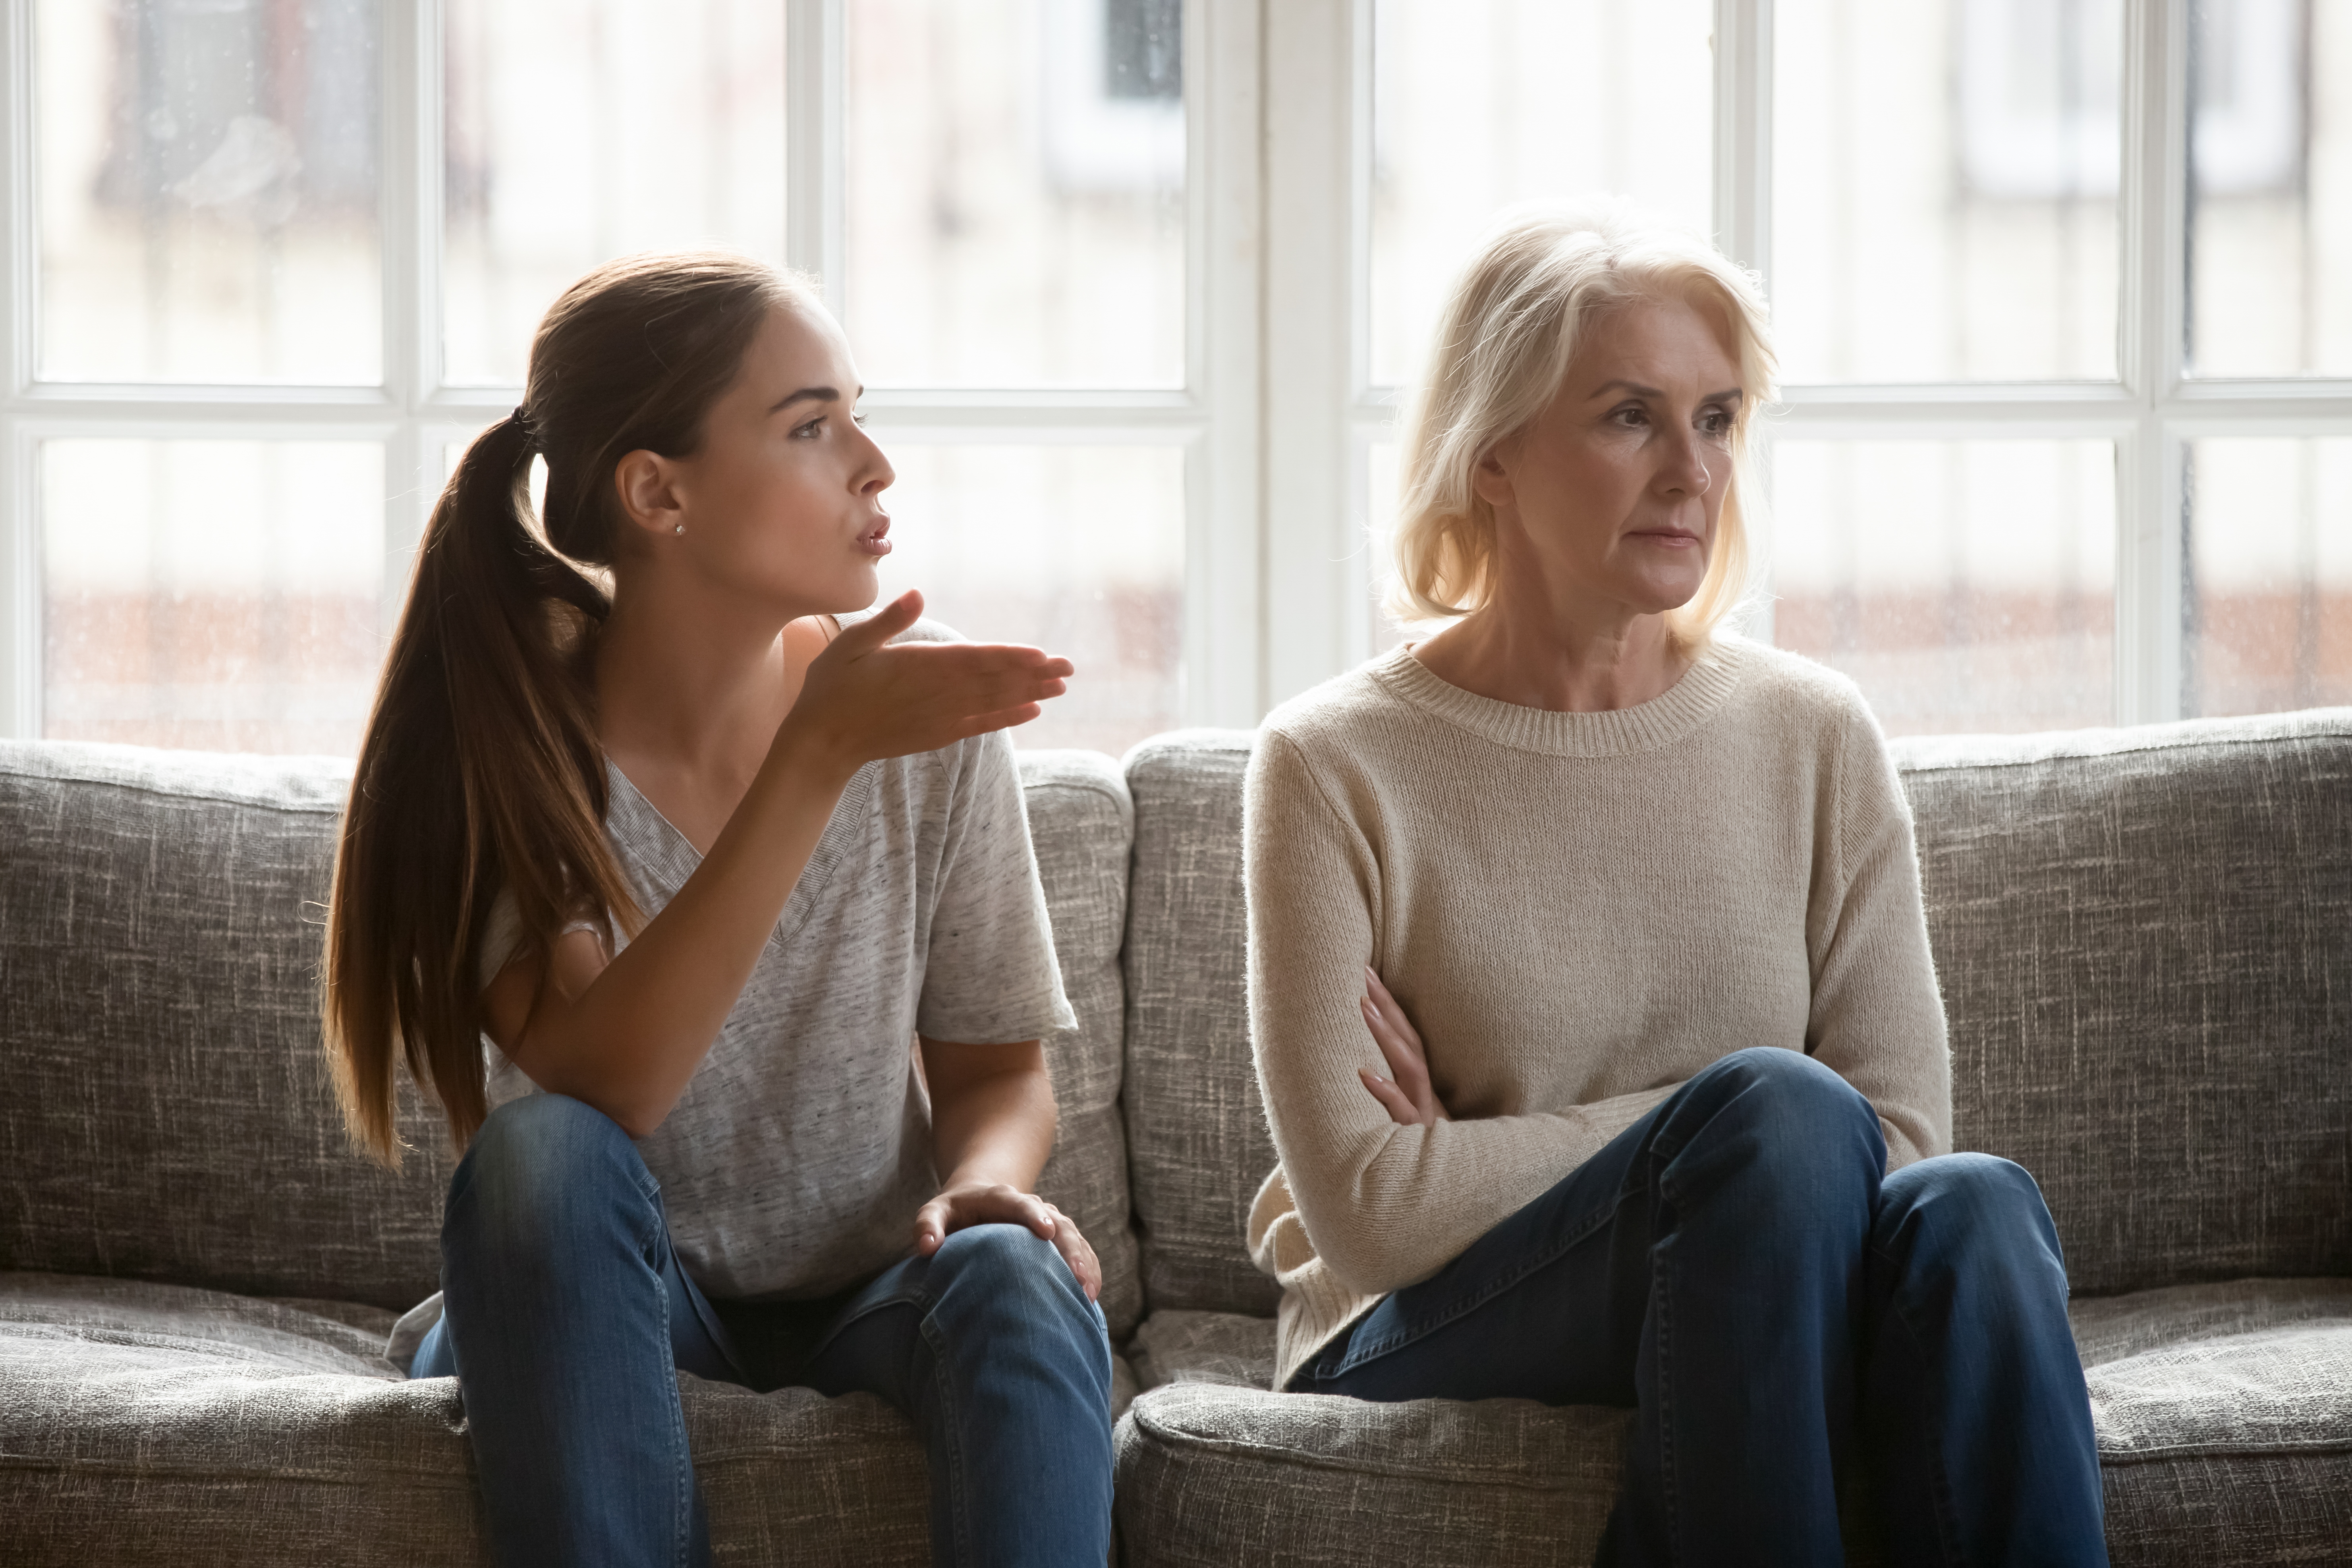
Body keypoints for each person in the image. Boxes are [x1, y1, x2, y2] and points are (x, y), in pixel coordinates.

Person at [1242, 205, 2108, 1567]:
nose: (1690, 471)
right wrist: (1711, 1127)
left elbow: (1902, 1134)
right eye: (1628, 417)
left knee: (1977, 1209)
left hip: (1766, 1266)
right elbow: (1370, 1207)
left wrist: (1693, 1142)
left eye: (1714, 419)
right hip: (1428, 1316)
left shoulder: (1812, 734)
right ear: (1494, 457)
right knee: (1774, 1112)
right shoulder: (1331, 763)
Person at [320, 251, 1114, 1568]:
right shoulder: (512, 754)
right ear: (657, 494)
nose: (874, 463)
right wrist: (816, 757)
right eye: (811, 425)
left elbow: (997, 1070)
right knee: (542, 1157)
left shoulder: (925, 724)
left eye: (859, 412)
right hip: (613, 1296)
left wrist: (981, 1186)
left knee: (1016, 1273)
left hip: (872, 1292)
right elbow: (605, 1088)